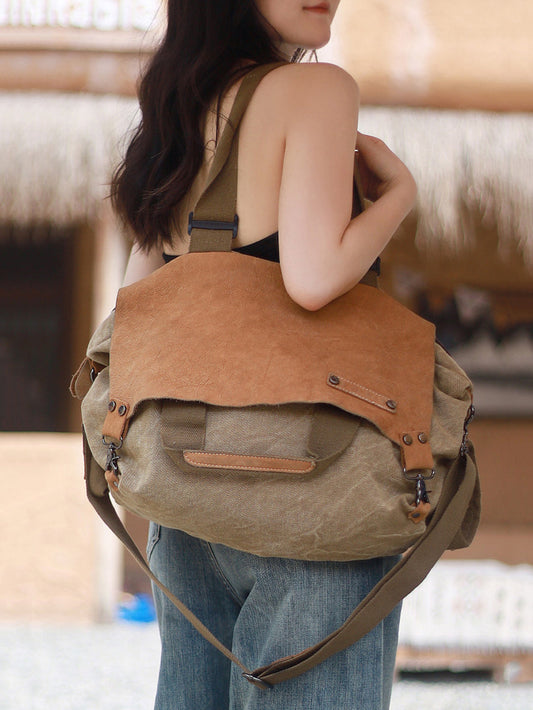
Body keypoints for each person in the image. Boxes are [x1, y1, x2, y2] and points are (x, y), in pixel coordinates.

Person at [113, 1, 417, 708]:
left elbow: (134, 304)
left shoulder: (184, 110)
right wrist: (398, 196)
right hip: (313, 489)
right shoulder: (316, 89)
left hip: (187, 497)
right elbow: (312, 279)